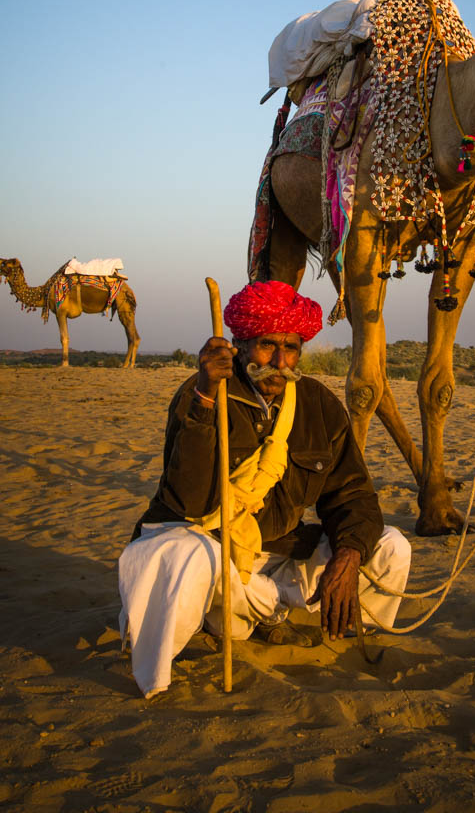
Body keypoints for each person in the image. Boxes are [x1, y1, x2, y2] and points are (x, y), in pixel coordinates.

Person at [118, 279, 411, 698]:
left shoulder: (317, 404)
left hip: (275, 554)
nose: (279, 360)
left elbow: (353, 493)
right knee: (184, 555)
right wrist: (205, 396)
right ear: (240, 343)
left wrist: (348, 554)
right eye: (266, 345)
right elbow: (189, 500)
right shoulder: (203, 394)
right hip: (214, 549)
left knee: (388, 546)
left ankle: (336, 632)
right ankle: (162, 675)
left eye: (290, 347)